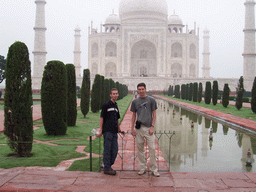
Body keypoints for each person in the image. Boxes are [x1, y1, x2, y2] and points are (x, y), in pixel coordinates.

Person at [130, 83, 160, 177]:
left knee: (152, 149)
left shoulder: (151, 100)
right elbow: (134, 115)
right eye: (139, 89)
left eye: (143, 89)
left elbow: (154, 114)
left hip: (148, 128)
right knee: (140, 149)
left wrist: (152, 126)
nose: (141, 91)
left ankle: (154, 169)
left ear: (145, 89)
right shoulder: (135, 101)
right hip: (139, 128)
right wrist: (132, 128)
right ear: (137, 90)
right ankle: (142, 168)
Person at [96, 88, 122, 175]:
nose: (115, 95)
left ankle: (107, 165)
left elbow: (117, 118)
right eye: (113, 94)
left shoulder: (115, 105)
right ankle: (107, 168)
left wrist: (119, 128)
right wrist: (100, 130)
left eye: (116, 93)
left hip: (114, 131)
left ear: (118, 95)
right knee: (107, 149)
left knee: (115, 150)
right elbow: (101, 117)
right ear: (110, 95)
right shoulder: (106, 105)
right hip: (107, 131)